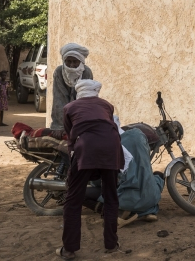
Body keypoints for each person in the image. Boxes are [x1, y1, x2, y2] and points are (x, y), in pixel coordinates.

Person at [56, 79, 126, 259]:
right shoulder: (107, 105)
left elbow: (71, 134)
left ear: (78, 93)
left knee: (73, 199)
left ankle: (69, 249)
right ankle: (111, 245)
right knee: (111, 197)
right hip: (112, 148)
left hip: (85, 149)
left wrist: (73, 155)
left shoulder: (69, 108)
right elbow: (110, 126)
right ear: (96, 93)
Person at [83, 127, 165, 227]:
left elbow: (98, 181)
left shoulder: (114, 149)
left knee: (79, 193)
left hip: (127, 198)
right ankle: (148, 211)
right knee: (158, 175)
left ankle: (119, 212)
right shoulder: (140, 142)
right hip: (151, 197)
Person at [50, 43, 93, 131]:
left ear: (81, 62)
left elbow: (85, 100)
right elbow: (59, 99)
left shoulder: (86, 72)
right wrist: (60, 127)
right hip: (62, 118)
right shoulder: (59, 72)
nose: (71, 65)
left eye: (75, 61)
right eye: (68, 61)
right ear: (64, 61)